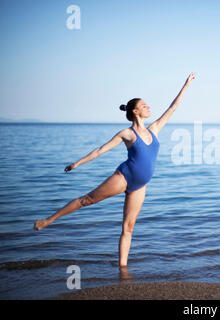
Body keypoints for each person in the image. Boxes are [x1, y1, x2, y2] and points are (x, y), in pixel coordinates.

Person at [33, 72, 196, 269]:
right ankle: (49, 220)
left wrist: (185, 86)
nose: (148, 107)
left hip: (140, 185)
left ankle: (122, 268)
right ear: (135, 112)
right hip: (124, 178)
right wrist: (78, 163)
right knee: (87, 200)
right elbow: (101, 150)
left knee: (128, 228)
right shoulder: (127, 133)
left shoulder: (155, 128)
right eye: (144, 105)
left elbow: (173, 107)